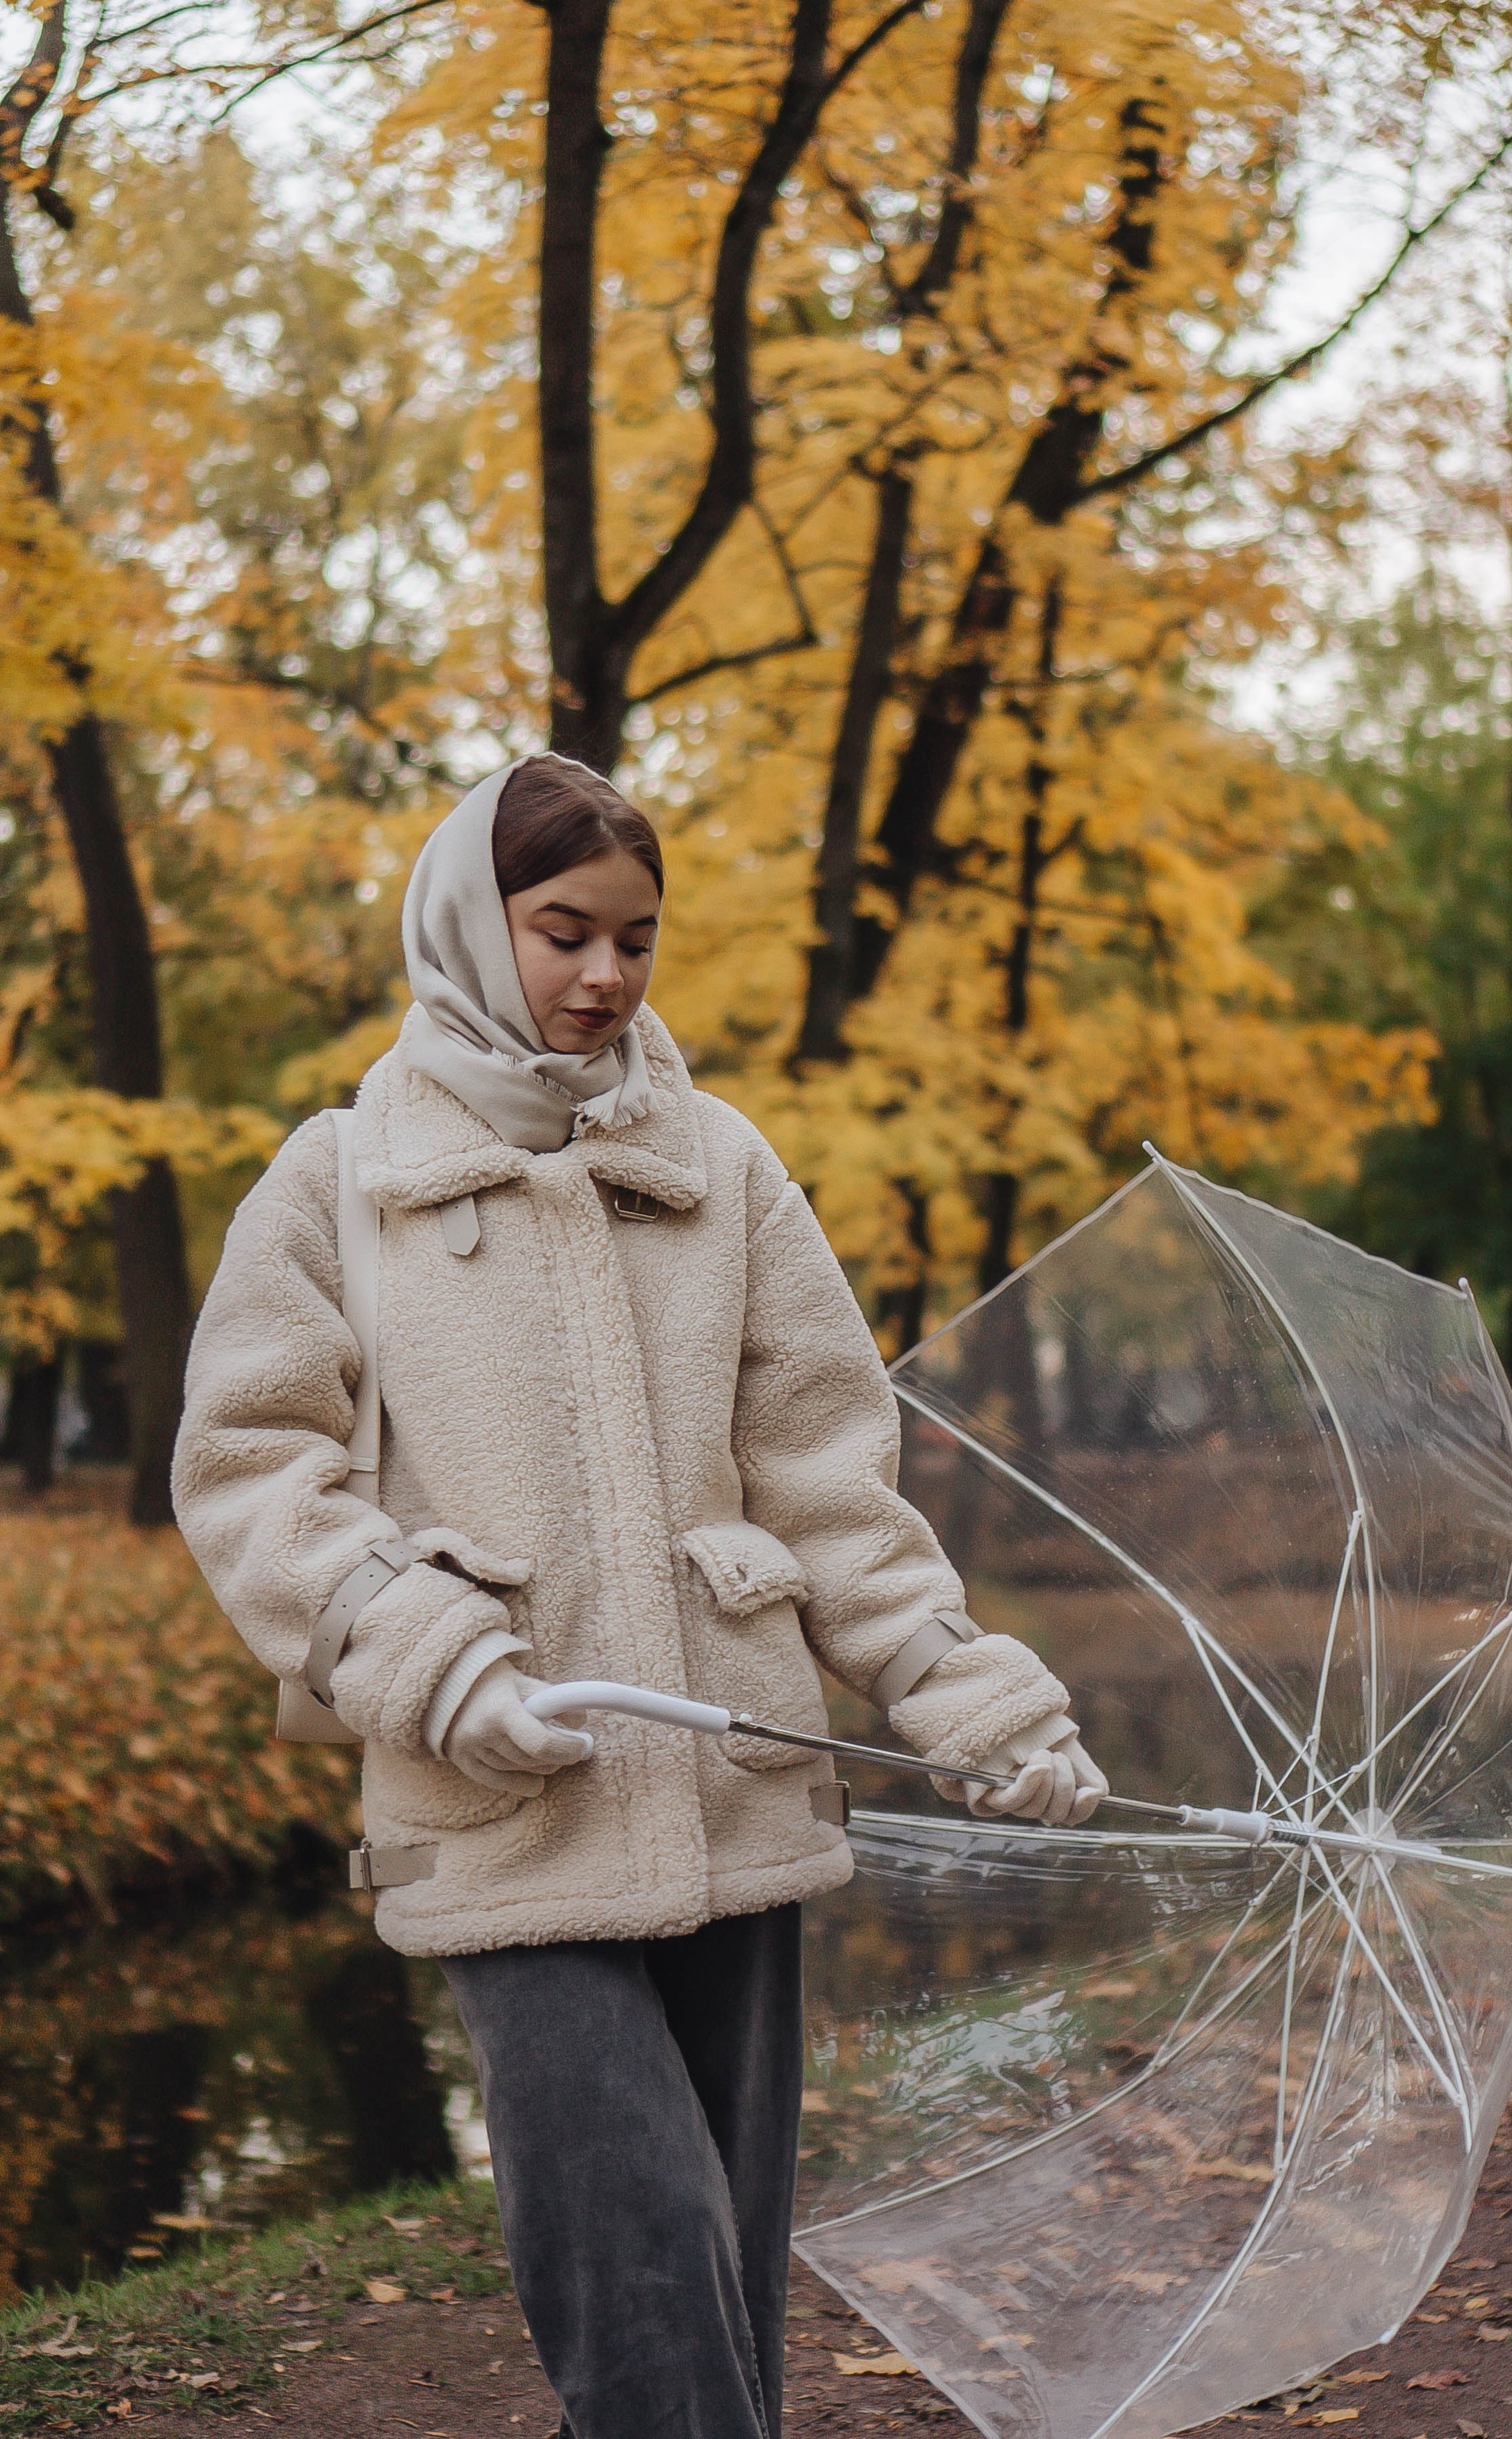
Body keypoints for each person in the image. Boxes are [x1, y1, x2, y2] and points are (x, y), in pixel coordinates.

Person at [172, 755, 1108, 2439]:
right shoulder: (338, 1176)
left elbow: (825, 1479)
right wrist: (440, 1668)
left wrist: (971, 1701)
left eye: (635, 938)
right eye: (561, 930)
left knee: (725, 2259)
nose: (602, 974)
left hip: (735, 1786)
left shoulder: (721, 1163)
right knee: (631, 2242)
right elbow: (250, 1474)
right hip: (500, 1803)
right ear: (473, 922)